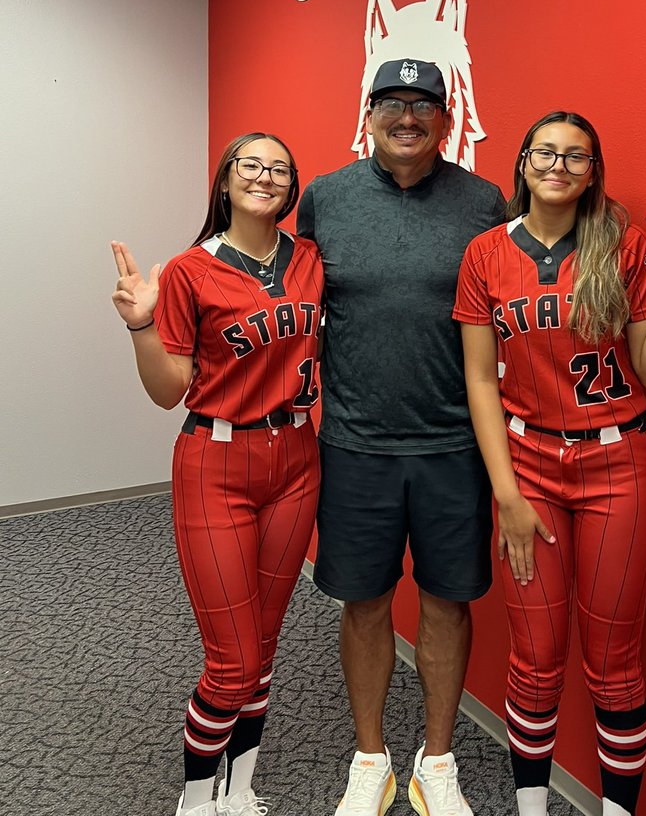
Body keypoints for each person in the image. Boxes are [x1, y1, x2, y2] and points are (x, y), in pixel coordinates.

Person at [453, 111, 646, 816]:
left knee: (614, 666)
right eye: (546, 152)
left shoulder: (622, 245)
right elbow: (479, 378)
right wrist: (505, 494)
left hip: (618, 462)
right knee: (535, 660)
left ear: (594, 172)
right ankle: (532, 810)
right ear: (523, 162)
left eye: (576, 156)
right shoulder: (484, 254)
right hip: (528, 462)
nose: (558, 165)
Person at [295, 59, 507, 816]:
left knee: (449, 604)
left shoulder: (485, 202)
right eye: (392, 102)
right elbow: (302, 303)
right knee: (364, 602)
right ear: (370, 113)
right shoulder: (323, 198)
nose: (408, 116)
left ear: (446, 120)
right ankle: (372, 756)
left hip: (455, 446)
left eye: (424, 104)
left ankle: (438, 760)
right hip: (355, 443)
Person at [111, 132, 323, 816]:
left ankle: (242, 787)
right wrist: (142, 328)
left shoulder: (312, 260)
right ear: (225, 181)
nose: (265, 176)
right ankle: (197, 800)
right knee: (230, 661)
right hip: (215, 464)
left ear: (292, 188)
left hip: (295, 460)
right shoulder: (189, 271)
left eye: (279, 168)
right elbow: (167, 389)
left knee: (262, 647)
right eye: (251, 165)